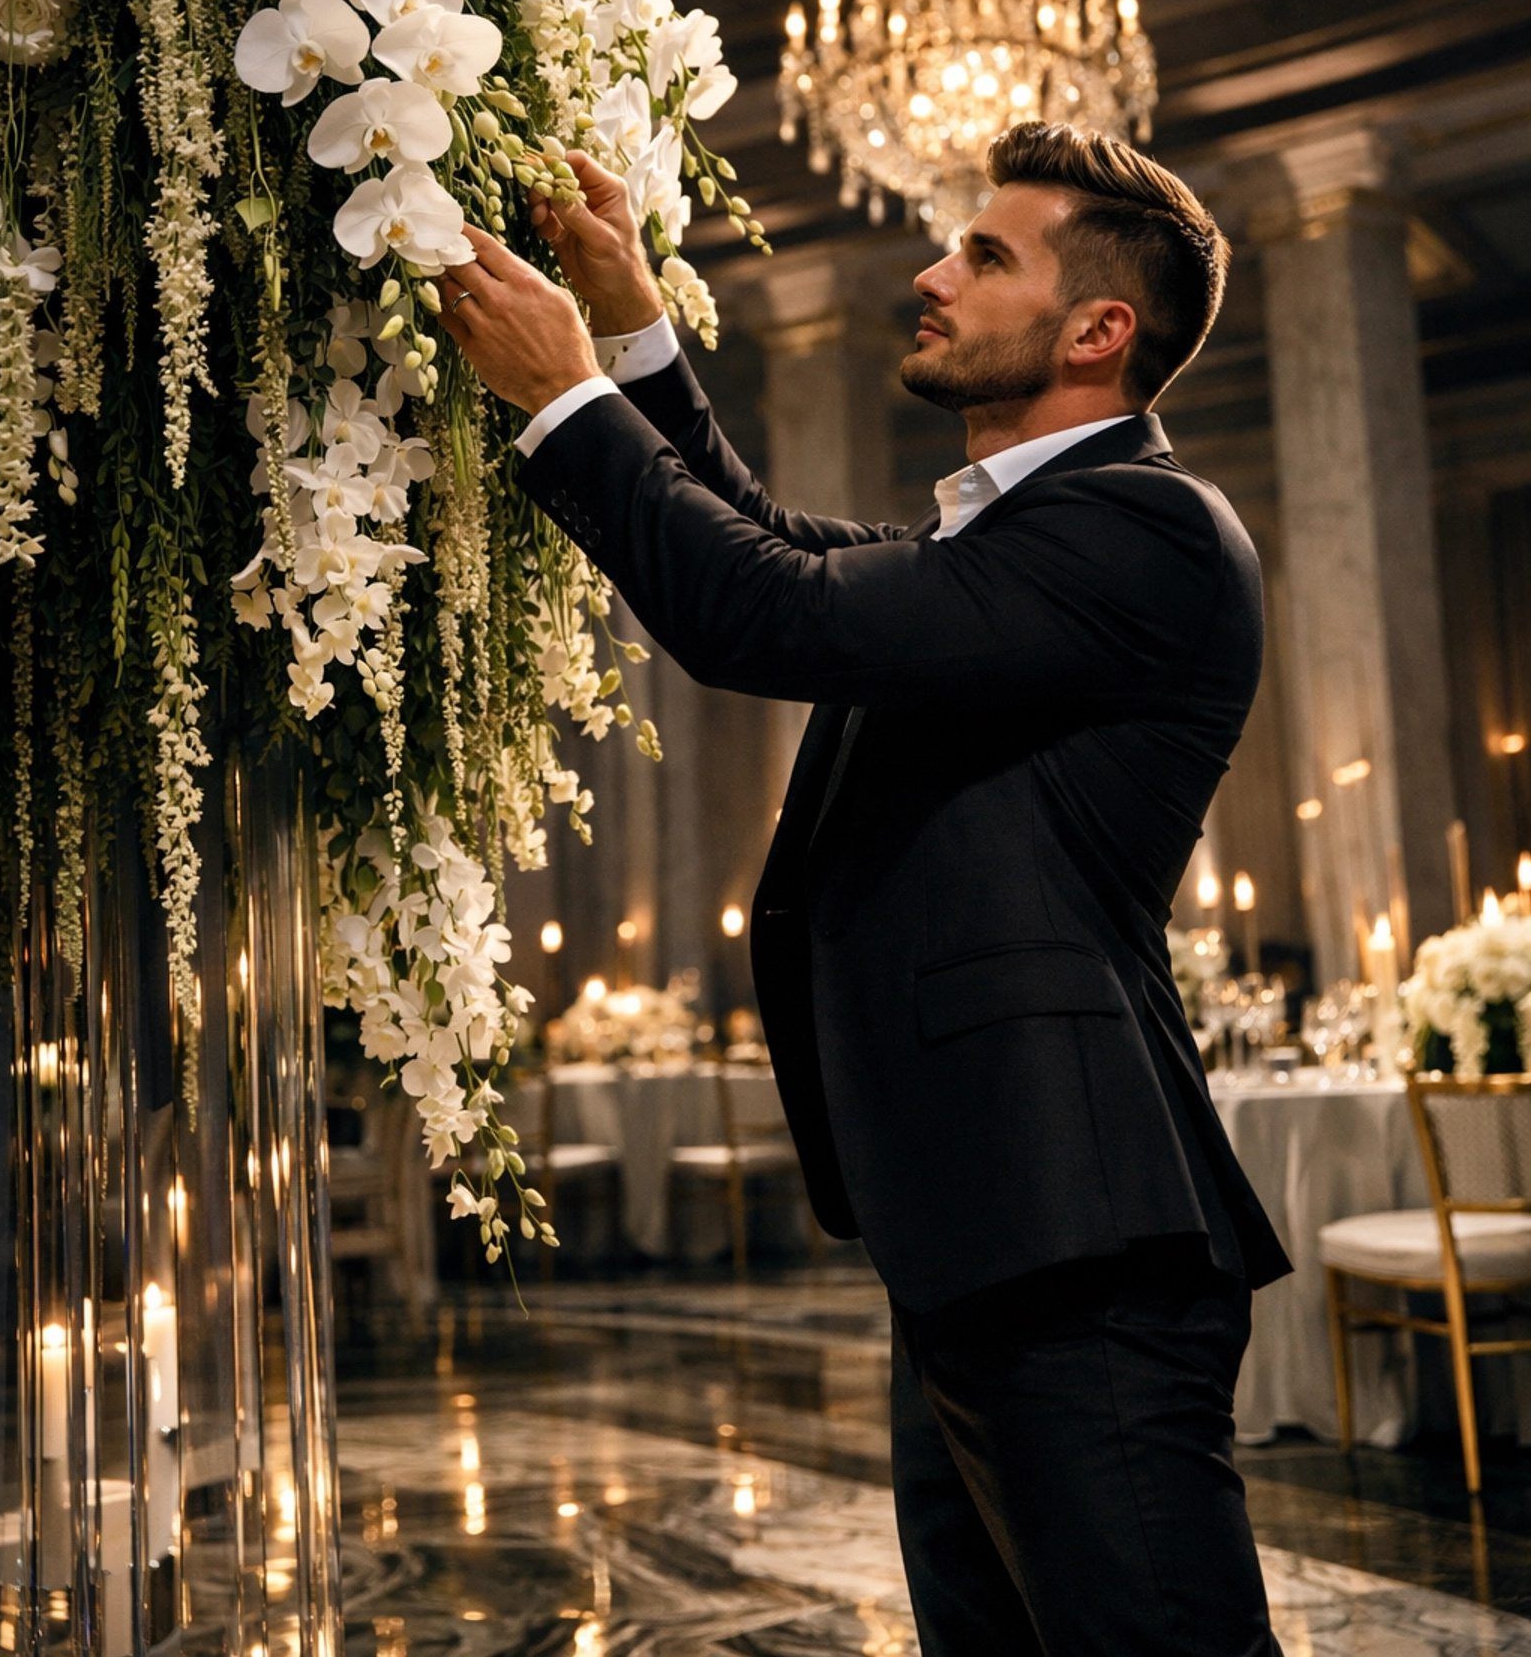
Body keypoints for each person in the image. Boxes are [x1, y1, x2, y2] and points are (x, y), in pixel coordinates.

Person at [439, 120, 1289, 1657]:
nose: (932, 269)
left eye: (985, 254)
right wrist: (628, 318)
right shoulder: (1013, 550)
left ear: (1099, 331)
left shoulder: (1146, 530)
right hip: (983, 1222)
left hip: (1076, 1233)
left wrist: (562, 397)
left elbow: (764, 612)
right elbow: (766, 542)